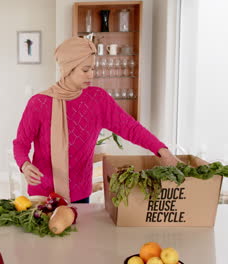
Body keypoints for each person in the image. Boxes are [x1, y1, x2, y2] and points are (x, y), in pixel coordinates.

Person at [12, 37, 180, 204]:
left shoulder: (97, 99)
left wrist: (161, 149)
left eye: (93, 68)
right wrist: (25, 165)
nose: (91, 74)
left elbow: (131, 128)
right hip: (43, 193)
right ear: (67, 69)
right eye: (85, 70)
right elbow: (21, 143)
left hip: (80, 194)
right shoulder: (39, 103)